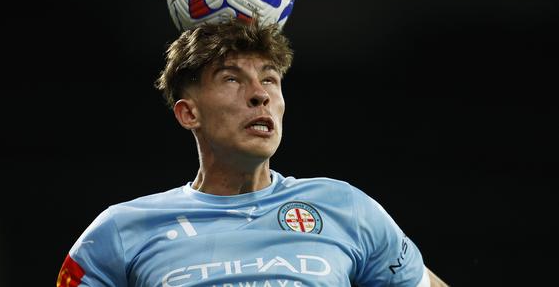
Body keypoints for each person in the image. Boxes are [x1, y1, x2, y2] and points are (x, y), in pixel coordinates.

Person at [56, 17, 449, 287]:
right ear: (188, 112)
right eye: (232, 79)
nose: (259, 94)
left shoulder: (346, 208)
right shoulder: (121, 231)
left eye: (269, 79)